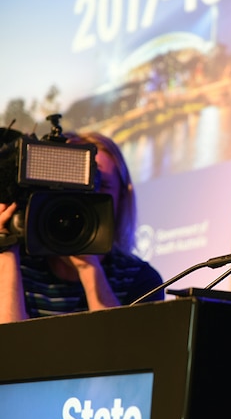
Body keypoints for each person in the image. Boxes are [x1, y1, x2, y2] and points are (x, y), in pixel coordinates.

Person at [0, 131, 163, 323]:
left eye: (101, 186)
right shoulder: (17, 266)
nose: (82, 198)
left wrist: (89, 267)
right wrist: (6, 251)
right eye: (72, 186)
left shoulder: (140, 279)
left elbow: (118, 349)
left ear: (122, 197)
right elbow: (8, 348)